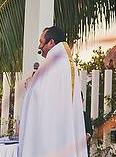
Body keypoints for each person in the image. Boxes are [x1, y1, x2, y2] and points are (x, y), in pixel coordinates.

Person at [18, 26, 87, 157]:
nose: (39, 47)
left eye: (41, 42)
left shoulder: (53, 64)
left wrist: (30, 84)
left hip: (48, 130)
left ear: (51, 42)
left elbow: (38, 94)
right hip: (60, 126)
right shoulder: (65, 63)